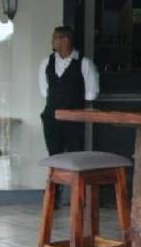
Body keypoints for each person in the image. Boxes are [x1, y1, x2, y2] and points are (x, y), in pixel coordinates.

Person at [38, 25, 99, 160]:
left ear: (65, 40)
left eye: (55, 38)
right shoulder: (46, 62)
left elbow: (91, 94)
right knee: (54, 157)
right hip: (51, 117)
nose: (52, 41)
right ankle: (55, 175)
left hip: (74, 119)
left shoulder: (84, 63)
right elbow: (44, 91)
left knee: (76, 156)